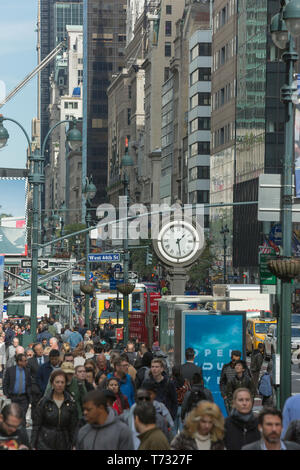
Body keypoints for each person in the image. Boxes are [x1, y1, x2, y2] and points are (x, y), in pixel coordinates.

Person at [31, 370, 78, 450]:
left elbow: (73, 426)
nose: (60, 385)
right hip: (44, 441)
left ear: (65, 384)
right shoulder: (44, 402)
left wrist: (74, 444)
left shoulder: (71, 403)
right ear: (52, 383)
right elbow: (36, 425)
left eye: (62, 382)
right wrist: (32, 444)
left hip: (64, 442)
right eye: (57, 382)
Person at [3, 353, 32, 425]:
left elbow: (29, 383)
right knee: (15, 415)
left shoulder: (27, 371)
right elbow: (5, 382)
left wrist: (30, 396)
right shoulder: (10, 370)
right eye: (24, 360)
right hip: (13, 397)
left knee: (22, 416)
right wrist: (6, 394)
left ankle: (22, 433)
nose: (26, 362)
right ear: (19, 361)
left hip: (24, 397)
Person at [27, 343, 48, 422]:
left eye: (41, 348)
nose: (40, 351)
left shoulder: (48, 359)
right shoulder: (30, 361)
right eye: (38, 349)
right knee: (35, 409)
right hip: (36, 390)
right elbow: (28, 375)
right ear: (34, 352)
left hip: (47, 388)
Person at [170, 365, 190, 433]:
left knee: (173, 431)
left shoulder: (170, 382)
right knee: (183, 431)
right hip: (183, 408)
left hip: (173, 408)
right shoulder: (186, 382)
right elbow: (188, 394)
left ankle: (173, 443)